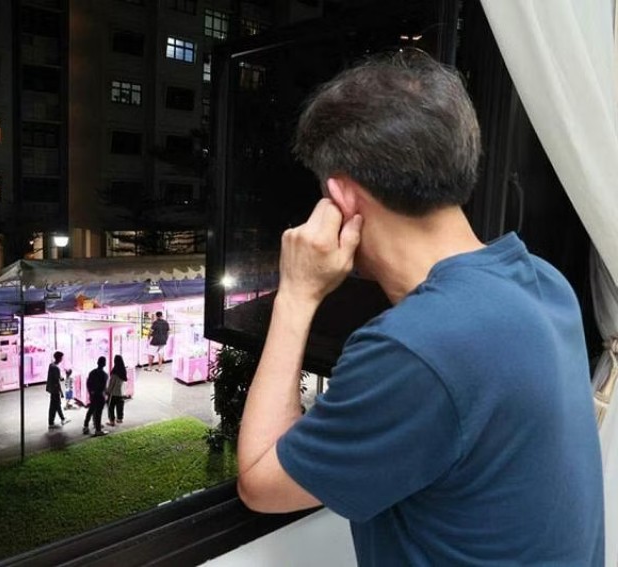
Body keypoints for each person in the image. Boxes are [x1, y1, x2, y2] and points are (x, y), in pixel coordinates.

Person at [236, 50, 604, 565]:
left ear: (342, 198)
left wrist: (297, 294)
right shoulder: (544, 282)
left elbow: (259, 480)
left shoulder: (413, 348)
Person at [83, 356, 108, 437]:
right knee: (98, 413)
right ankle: (98, 429)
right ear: (104, 364)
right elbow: (103, 387)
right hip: (100, 395)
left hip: (93, 394)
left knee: (91, 410)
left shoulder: (92, 372)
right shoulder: (104, 375)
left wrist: (91, 393)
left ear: (97, 363)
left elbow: (88, 384)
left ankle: (86, 426)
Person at [45, 351, 70, 430]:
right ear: (59, 358)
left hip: (51, 388)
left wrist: (62, 377)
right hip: (55, 390)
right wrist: (61, 392)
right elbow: (57, 381)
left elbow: (57, 377)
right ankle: (52, 422)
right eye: (61, 358)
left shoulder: (51, 365)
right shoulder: (56, 368)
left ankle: (61, 419)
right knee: (55, 405)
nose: (62, 359)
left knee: (56, 405)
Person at [106, 355, 128, 426]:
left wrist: (107, 391)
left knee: (110, 407)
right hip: (121, 393)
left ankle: (112, 421)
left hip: (114, 393)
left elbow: (111, 384)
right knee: (120, 406)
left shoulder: (114, 372)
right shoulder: (123, 371)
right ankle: (119, 418)